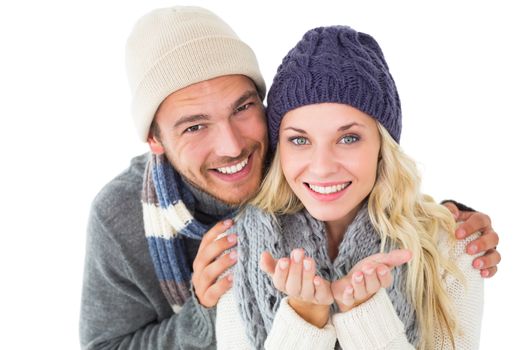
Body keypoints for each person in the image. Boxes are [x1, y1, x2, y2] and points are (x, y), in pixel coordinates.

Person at [79, 6, 500, 350]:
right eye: (194, 126)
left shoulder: (288, 155)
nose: (231, 146)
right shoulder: (125, 217)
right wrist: (206, 313)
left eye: (242, 108)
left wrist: (444, 225)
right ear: (155, 139)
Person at [215, 25, 485, 349]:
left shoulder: (451, 246)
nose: (322, 166)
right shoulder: (237, 248)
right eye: (299, 140)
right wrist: (305, 318)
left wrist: (365, 314)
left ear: (382, 146)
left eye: (348, 138)